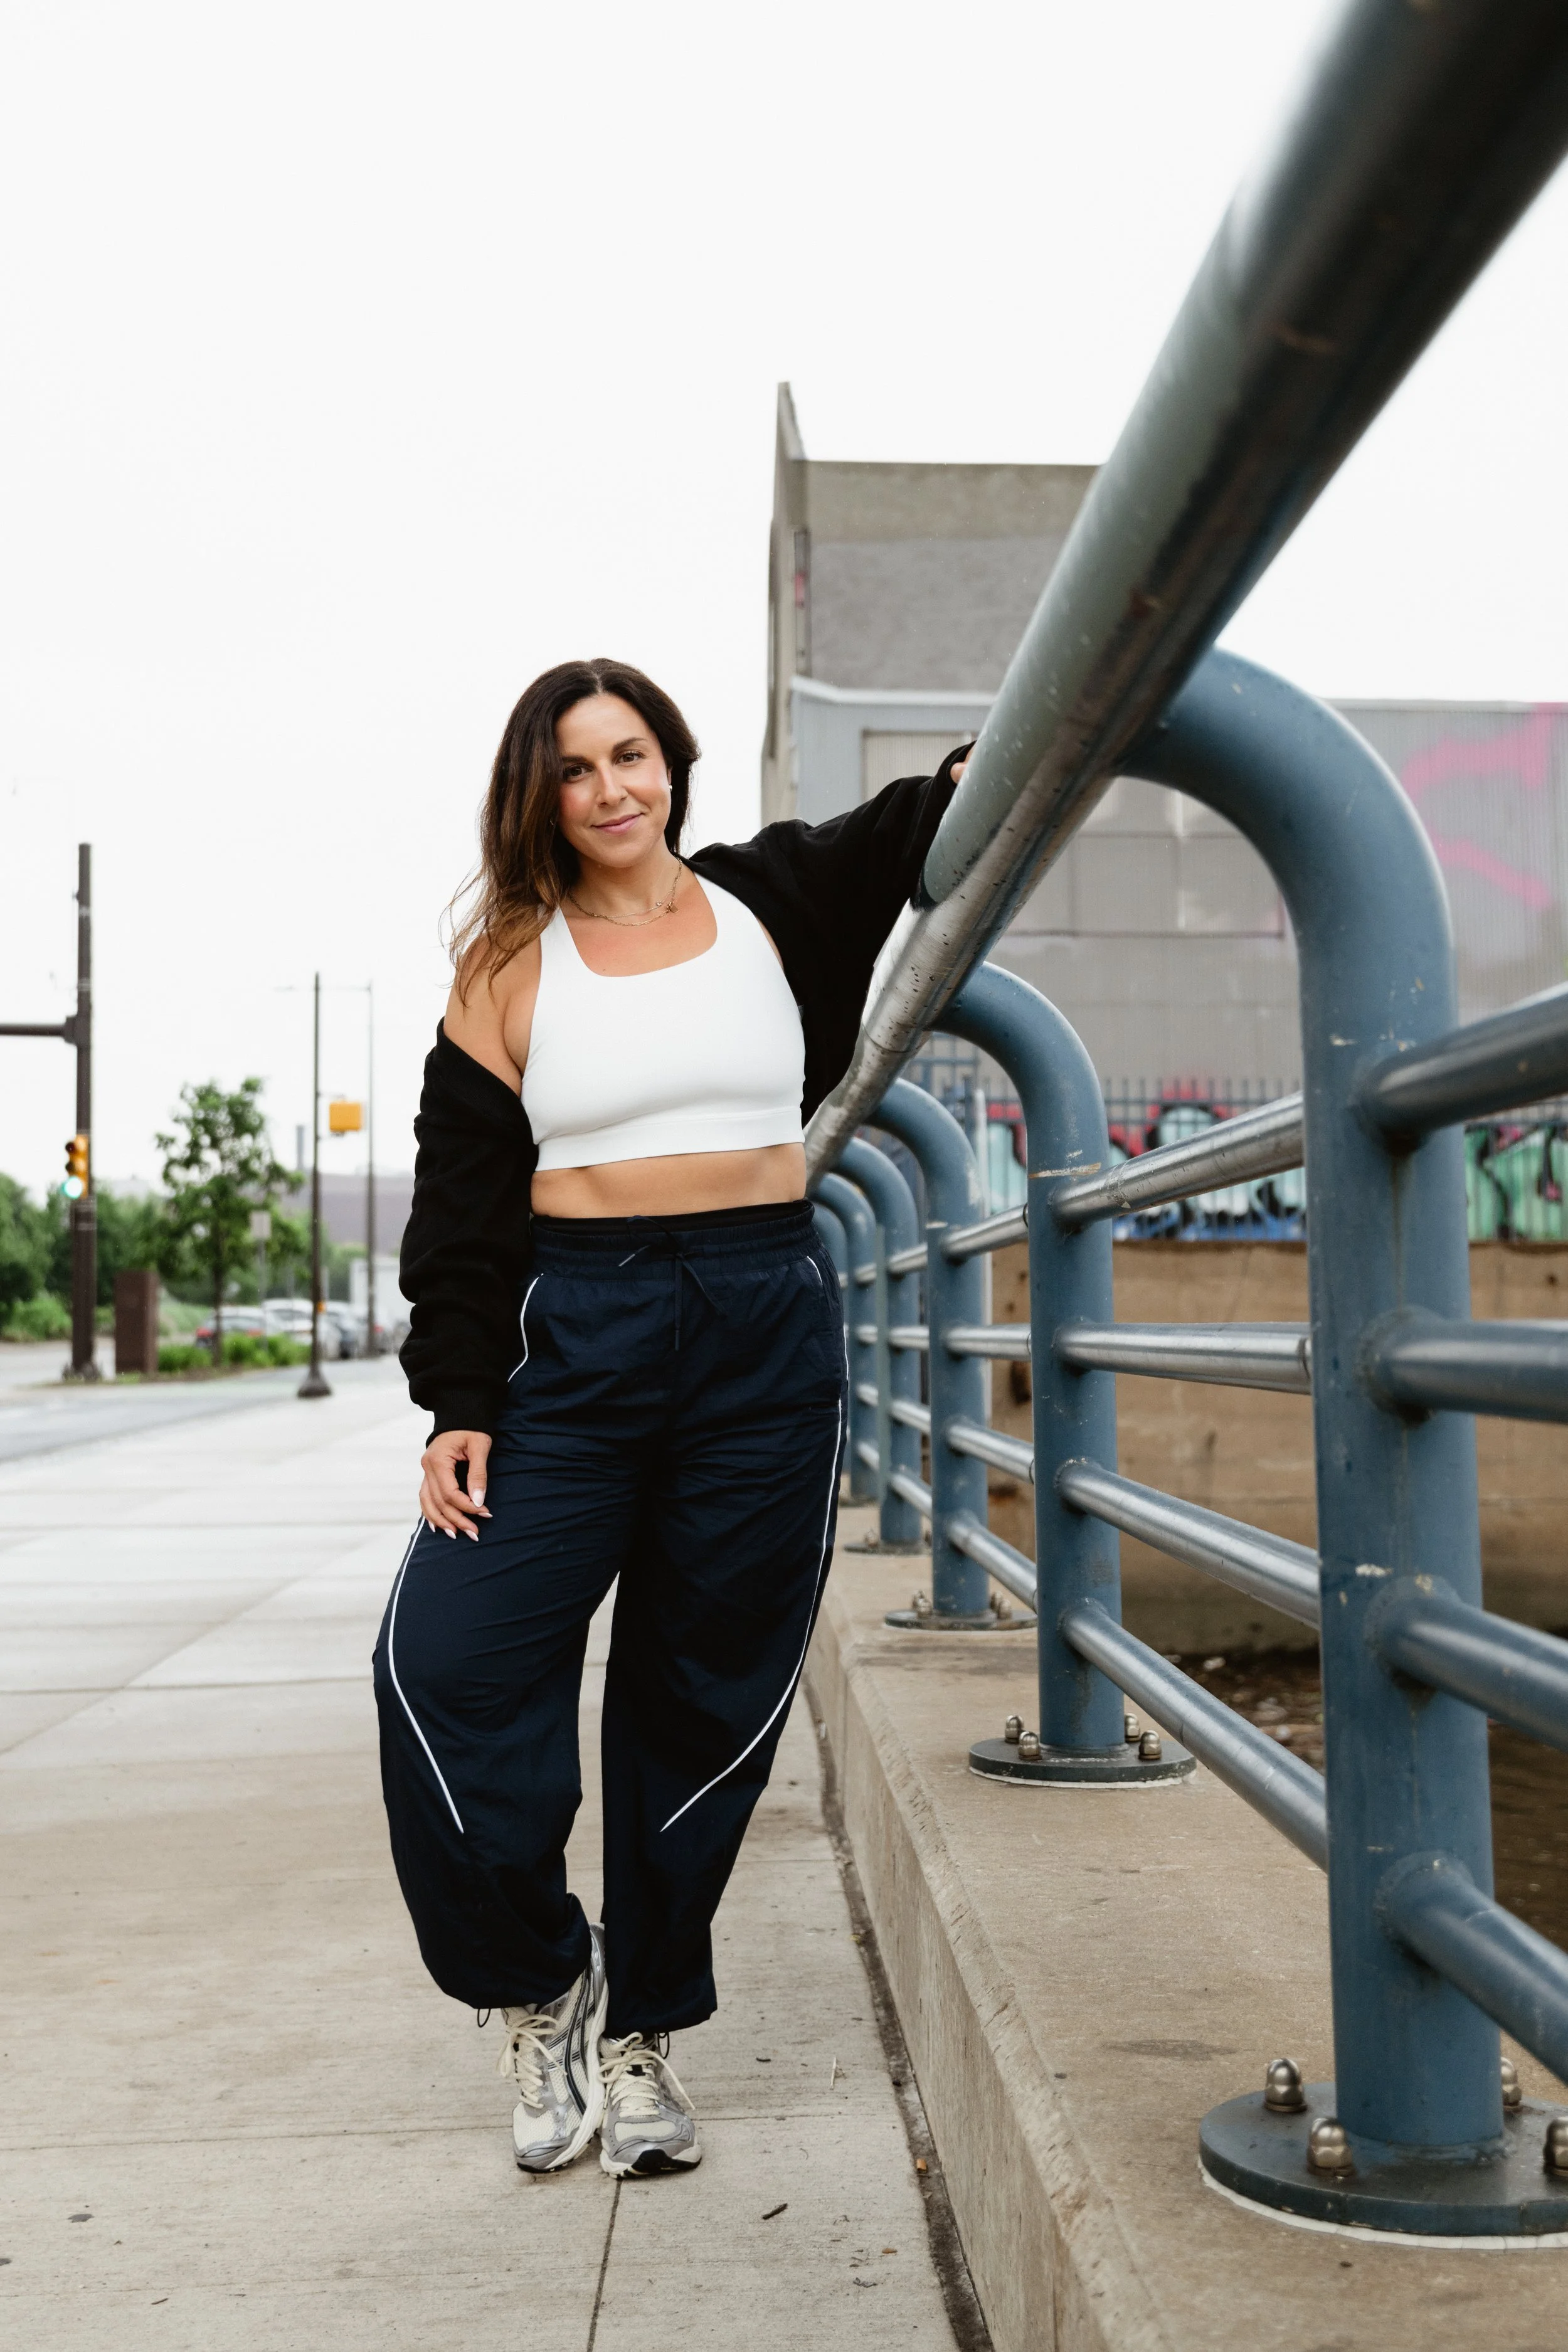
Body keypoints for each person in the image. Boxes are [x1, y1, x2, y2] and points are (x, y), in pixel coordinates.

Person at [375, 655, 968, 2178]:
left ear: (670, 762)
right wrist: (458, 1397)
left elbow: (926, 816)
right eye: (575, 769)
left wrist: (1023, 737)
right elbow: (456, 1203)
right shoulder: (511, 964)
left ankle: (639, 2032)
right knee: (442, 1659)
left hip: (762, 1324)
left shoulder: (766, 901)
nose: (610, 789)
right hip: (573, 1337)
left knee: (704, 1686)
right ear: (541, 796)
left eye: (630, 754)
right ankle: (538, 1976)